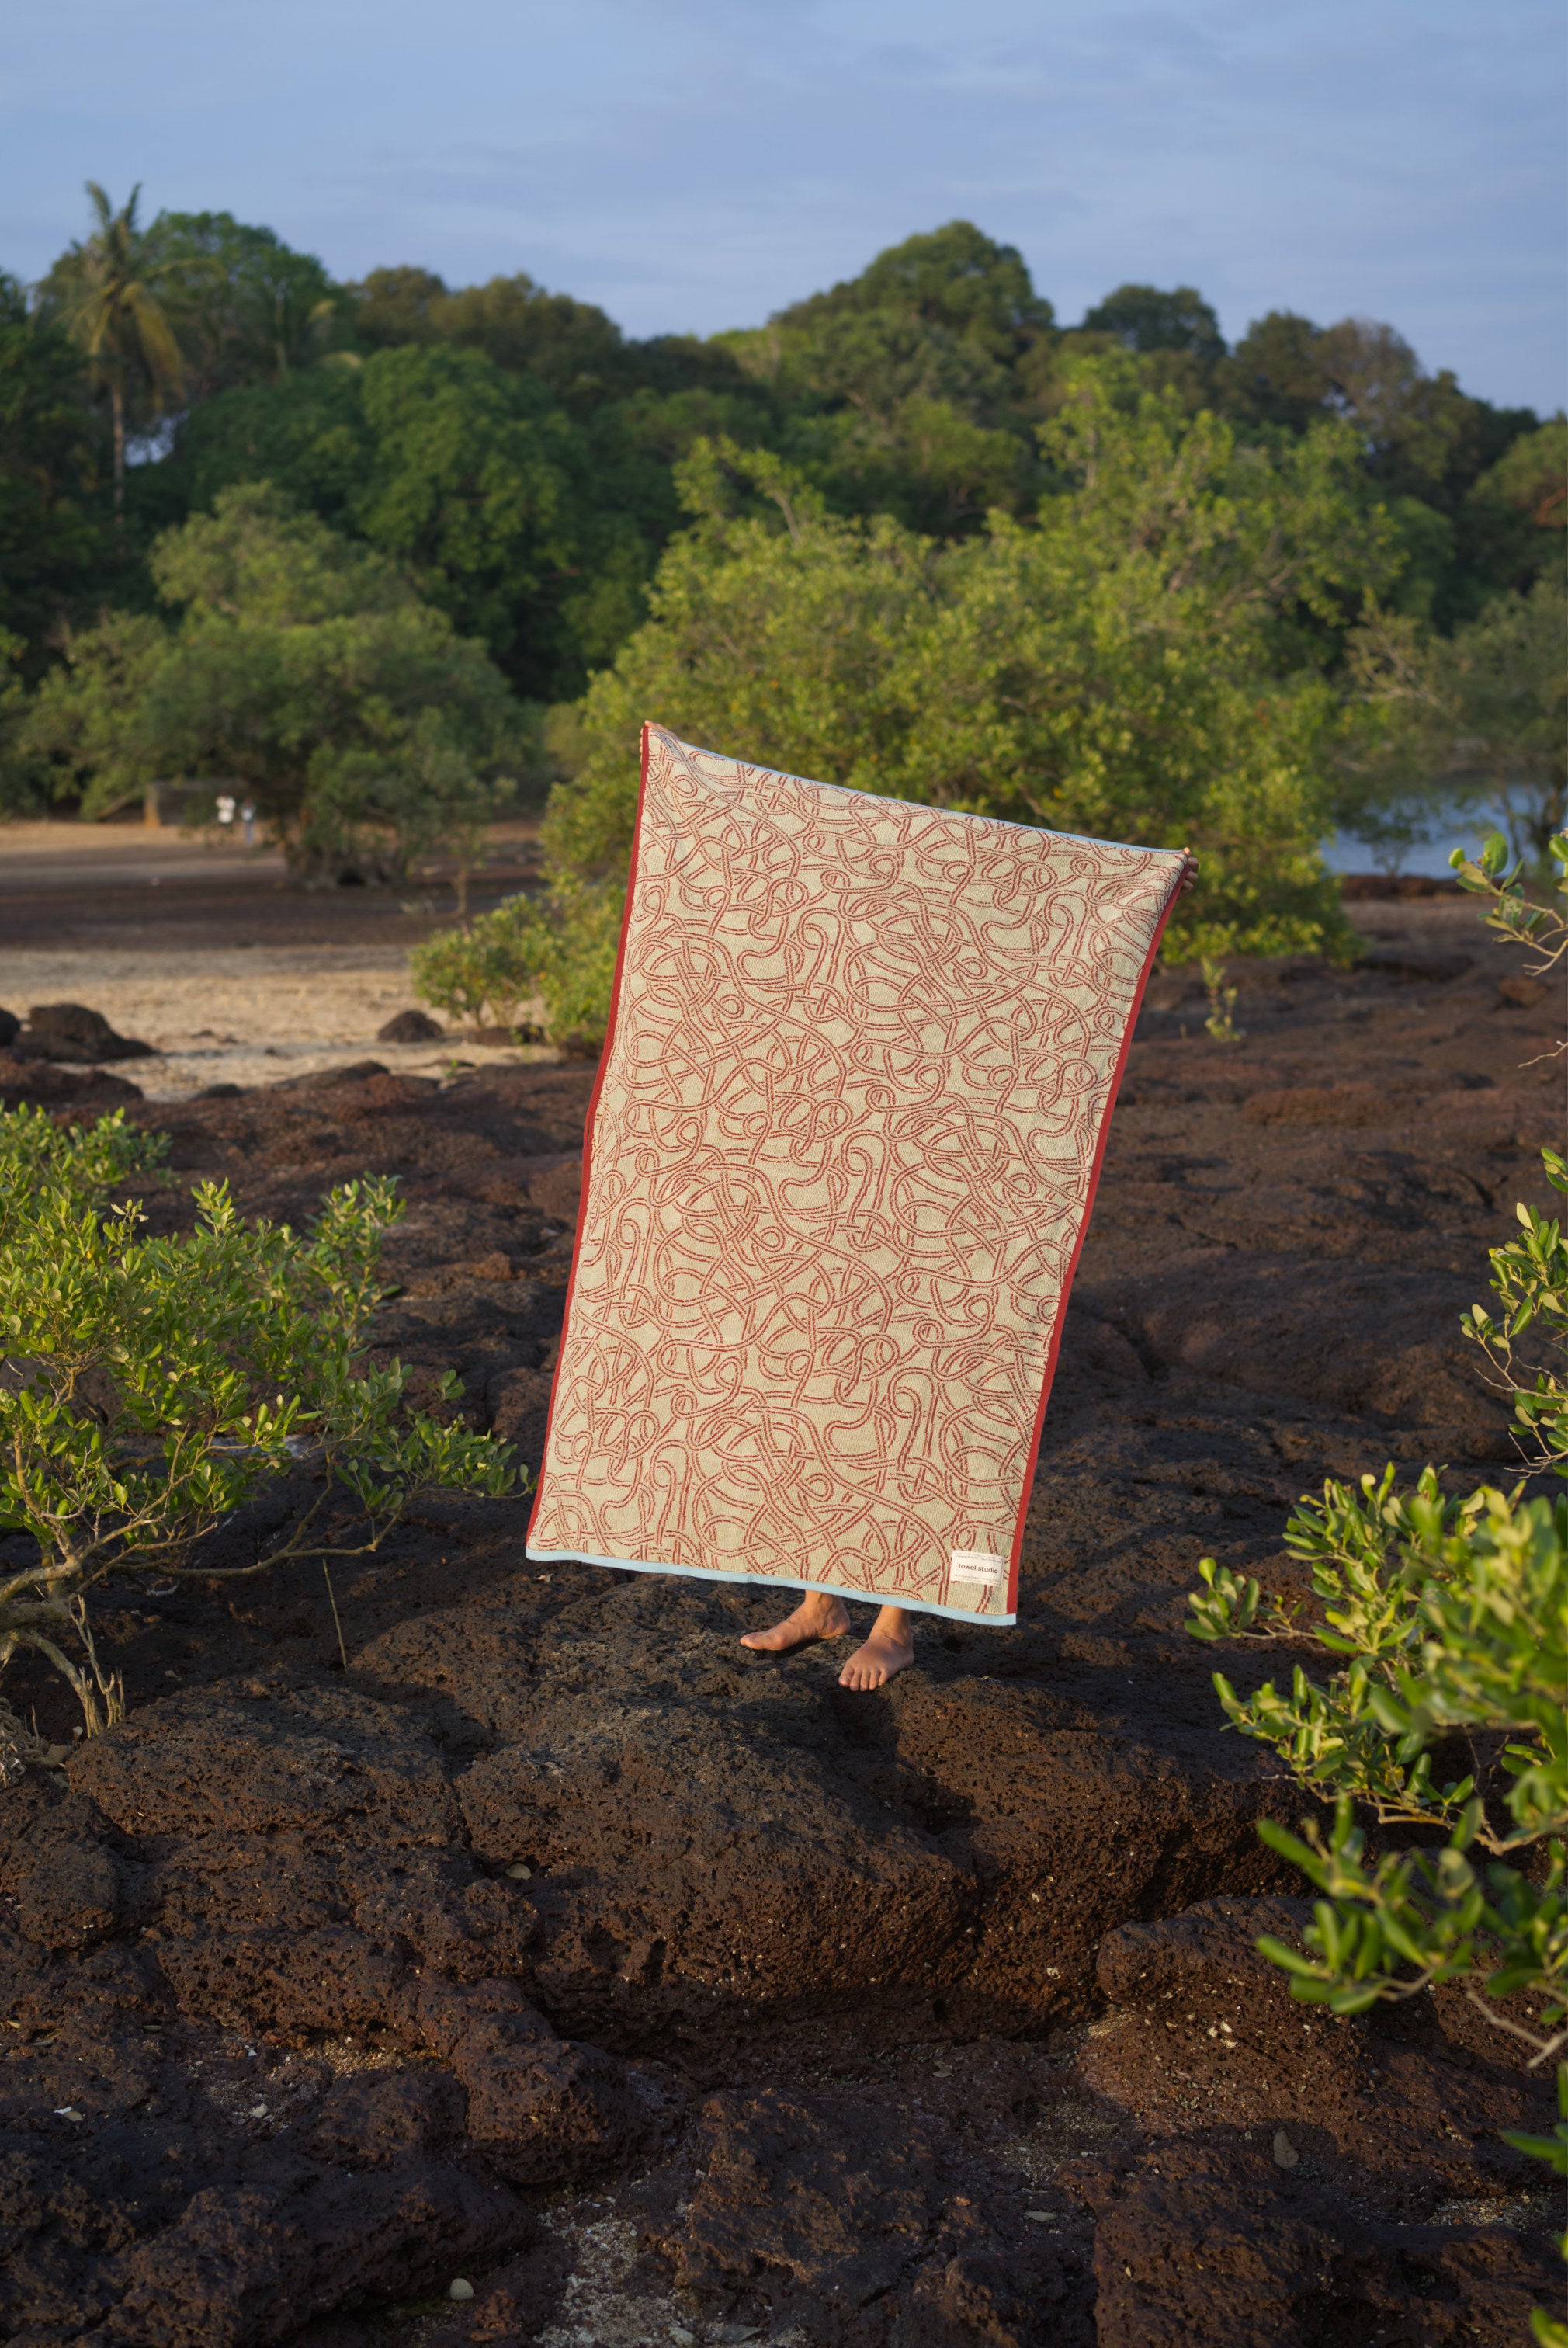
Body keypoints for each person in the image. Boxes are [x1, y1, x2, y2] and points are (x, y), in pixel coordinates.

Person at [741, 849, 1200, 1690]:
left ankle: (895, 1622)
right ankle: (820, 1603)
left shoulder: (983, 1007)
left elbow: (1067, 978)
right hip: (852, 1215)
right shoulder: (859, 988)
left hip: (952, 1232)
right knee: (823, 1395)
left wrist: (1149, 888)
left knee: (928, 1415)